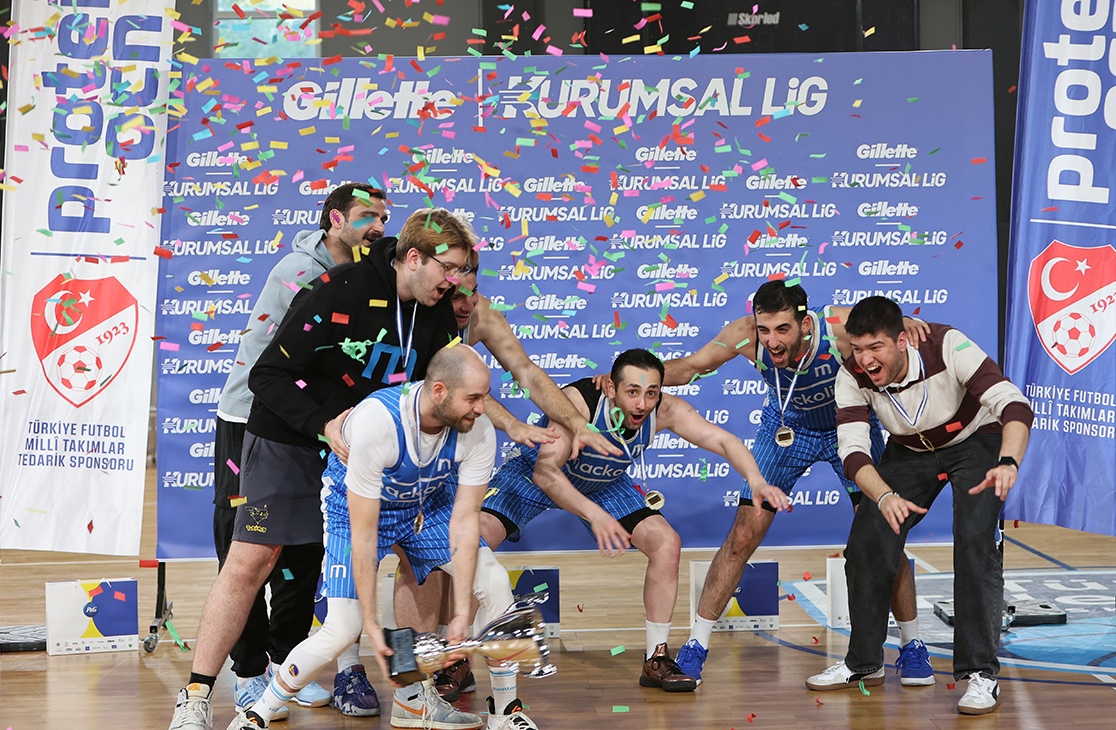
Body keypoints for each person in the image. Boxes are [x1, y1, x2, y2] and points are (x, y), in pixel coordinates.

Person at [168, 207, 477, 730]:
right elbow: (267, 375)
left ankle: (411, 694)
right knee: (251, 560)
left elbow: (444, 388)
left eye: (461, 270)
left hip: (368, 453)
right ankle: (196, 696)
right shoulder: (339, 288)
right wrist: (323, 424)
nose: (455, 281)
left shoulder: (438, 311)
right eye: (448, 268)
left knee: (418, 563)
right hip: (290, 440)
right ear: (414, 257)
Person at [433, 348, 787, 693]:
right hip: (535, 475)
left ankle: (656, 657)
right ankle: (456, 658)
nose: (641, 404)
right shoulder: (578, 403)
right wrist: (595, 515)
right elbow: (545, 473)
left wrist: (756, 481)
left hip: (604, 483)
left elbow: (724, 441)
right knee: (475, 540)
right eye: (632, 392)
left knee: (666, 543)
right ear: (611, 388)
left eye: (651, 393)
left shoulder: (665, 410)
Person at [230, 344, 536, 730]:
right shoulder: (379, 421)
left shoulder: (477, 430)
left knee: (494, 584)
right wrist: (372, 628)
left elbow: (463, 522)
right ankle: (257, 714)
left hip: (425, 506)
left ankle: (505, 713)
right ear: (439, 391)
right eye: (473, 398)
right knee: (342, 629)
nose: (481, 408)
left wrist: (461, 613)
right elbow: (363, 534)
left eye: (484, 397)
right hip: (355, 512)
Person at [656, 281, 934, 687]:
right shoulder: (744, 335)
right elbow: (690, 367)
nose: (771, 341)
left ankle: (912, 645)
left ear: (804, 324)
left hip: (848, 425)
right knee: (743, 534)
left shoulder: (837, 327)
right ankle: (696, 645)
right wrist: (635, 375)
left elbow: (885, 335)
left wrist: (905, 323)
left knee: (883, 538)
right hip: (787, 429)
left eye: (782, 329)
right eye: (764, 329)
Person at [392, 268, 623, 706]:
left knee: (486, 576)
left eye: (473, 292)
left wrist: (576, 422)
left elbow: (527, 373)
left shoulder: (479, 428)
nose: (465, 304)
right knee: (363, 601)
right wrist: (512, 423)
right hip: (392, 466)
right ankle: (404, 688)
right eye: (454, 294)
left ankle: (496, 700)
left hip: (445, 454)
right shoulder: (410, 336)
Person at [804, 296, 1031, 716]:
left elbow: (1014, 405)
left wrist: (1008, 461)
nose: (866, 359)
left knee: (974, 540)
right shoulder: (850, 375)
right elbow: (853, 454)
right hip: (909, 451)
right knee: (867, 543)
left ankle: (980, 674)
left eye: (876, 347)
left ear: (902, 341)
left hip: (975, 440)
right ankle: (864, 663)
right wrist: (884, 496)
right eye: (858, 348)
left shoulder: (948, 346)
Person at [212, 182, 389, 720]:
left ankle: (287, 664)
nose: (378, 226)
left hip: (313, 428)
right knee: (247, 551)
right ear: (335, 219)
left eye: (384, 218)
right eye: (367, 216)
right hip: (253, 423)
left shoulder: (368, 275)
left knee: (307, 547)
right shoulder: (302, 271)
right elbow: (300, 365)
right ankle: (248, 672)